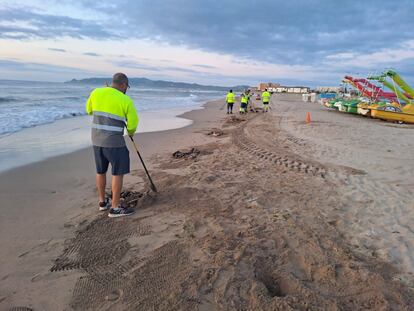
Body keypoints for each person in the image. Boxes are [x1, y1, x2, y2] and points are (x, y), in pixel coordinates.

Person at [86, 73, 139, 218]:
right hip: (114, 143)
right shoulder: (125, 99)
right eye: (126, 87)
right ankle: (115, 207)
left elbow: (89, 110)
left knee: (100, 171)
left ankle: (102, 202)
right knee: (117, 172)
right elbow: (133, 122)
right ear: (123, 85)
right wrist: (131, 132)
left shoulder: (96, 92)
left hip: (96, 140)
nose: (126, 90)